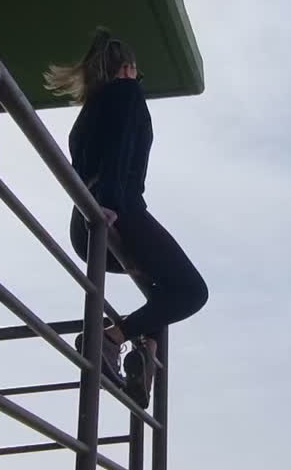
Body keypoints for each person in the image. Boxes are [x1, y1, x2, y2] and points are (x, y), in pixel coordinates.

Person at [45, 28, 208, 407]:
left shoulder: (89, 111)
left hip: (86, 222)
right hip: (119, 209)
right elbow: (118, 154)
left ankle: (145, 352)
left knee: (163, 285)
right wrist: (112, 205)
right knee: (191, 292)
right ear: (129, 68)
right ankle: (110, 338)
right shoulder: (126, 93)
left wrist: (101, 205)